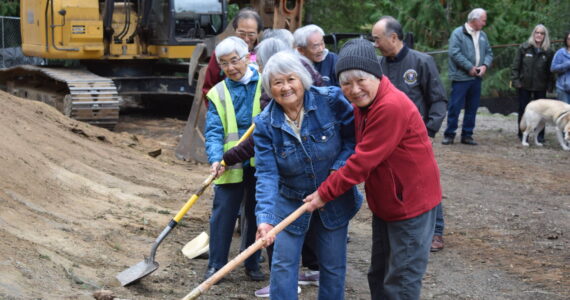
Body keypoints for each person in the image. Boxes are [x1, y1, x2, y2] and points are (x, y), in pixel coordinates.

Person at [303, 38, 441, 300]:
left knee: (400, 281)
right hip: (388, 202)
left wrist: (323, 193)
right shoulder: (363, 105)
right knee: (379, 274)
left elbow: (362, 161)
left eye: (361, 80)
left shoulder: (390, 107)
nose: (354, 89)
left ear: (376, 75)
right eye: (346, 82)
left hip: (410, 204)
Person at [254, 50, 362, 300]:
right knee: (282, 266)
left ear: (302, 78)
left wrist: (335, 177)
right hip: (290, 201)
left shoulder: (331, 100)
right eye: (277, 82)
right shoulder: (264, 124)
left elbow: (353, 141)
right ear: (269, 89)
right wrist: (265, 218)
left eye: (291, 79)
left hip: (333, 196)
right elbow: (267, 174)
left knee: (333, 267)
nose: (286, 87)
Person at [222, 38, 323, 298]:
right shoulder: (298, 80)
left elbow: (257, 142)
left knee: (283, 230)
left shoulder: (275, 89)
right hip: (306, 175)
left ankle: (287, 281)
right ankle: (300, 274)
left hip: (290, 174)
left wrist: (228, 158)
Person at [372, 16, 448, 252]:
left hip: (416, 141)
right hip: (388, 140)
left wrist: (429, 131)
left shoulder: (422, 62)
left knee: (425, 182)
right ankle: (401, 224)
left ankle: (435, 231)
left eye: (377, 39)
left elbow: (438, 99)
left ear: (393, 38)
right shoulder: (378, 66)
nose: (374, 44)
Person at [203, 36, 264, 282]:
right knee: (223, 213)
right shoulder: (218, 93)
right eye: (224, 63)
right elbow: (214, 131)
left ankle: (252, 262)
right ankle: (216, 265)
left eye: (235, 60)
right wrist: (216, 158)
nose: (230, 68)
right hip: (230, 162)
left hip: (261, 160)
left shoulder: (266, 83)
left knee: (256, 213)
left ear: (247, 57)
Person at [442, 8, 493, 146]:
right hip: (460, 77)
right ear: (474, 20)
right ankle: (449, 134)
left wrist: (484, 66)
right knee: (455, 107)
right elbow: (454, 53)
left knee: (472, 107)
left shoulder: (483, 35)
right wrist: (469, 67)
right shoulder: (458, 33)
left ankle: (467, 135)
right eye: (483, 20)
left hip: (477, 77)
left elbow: (489, 52)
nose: (484, 23)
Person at [202, 8, 263, 103]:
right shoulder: (222, 53)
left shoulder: (261, 53)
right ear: (235, 30)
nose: (246, 39)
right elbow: (208, 88)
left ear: (258, 33)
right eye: (242, 33)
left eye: (251, 34)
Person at [511, 24, 555, 143]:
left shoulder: (548, 52)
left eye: (542, 33)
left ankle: (539, 136)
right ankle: (522, 134)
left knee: (542, 113)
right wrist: (516, 82)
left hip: (540, 87)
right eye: (537, 32)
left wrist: (550, 86)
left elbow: (551, 71)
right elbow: (515, 67)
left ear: (545, 36)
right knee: (523, 110)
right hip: (524, 85)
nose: (539, 35)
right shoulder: (524, 48)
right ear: (533, 34)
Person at [551, 31, 570, 104]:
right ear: (566, 40)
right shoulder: (560, 53)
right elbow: (553, 68)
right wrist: (567, 64)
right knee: (565, 114)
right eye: (569, 38)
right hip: (563, 89)